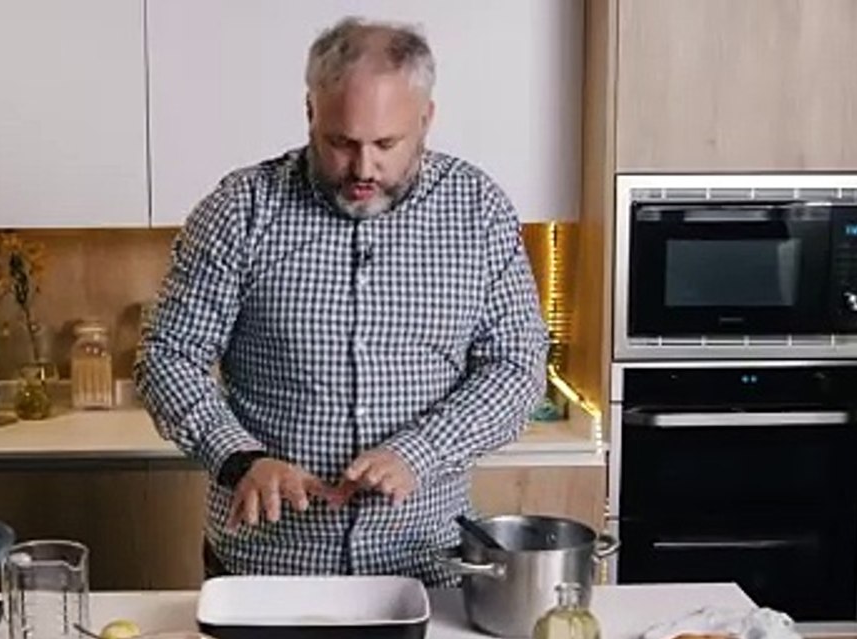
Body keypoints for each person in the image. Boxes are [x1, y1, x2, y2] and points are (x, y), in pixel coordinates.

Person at [134, 17, 548, 586]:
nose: (362, 169)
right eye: (340, 142)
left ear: (425, 119)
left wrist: (421, 451)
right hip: (267, 568)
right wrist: (240, 460)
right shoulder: (240, 210)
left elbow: (517, 367)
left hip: (423, 566)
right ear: (311, 112)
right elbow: (168, 357)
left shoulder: (478, 211)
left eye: (385, 144)